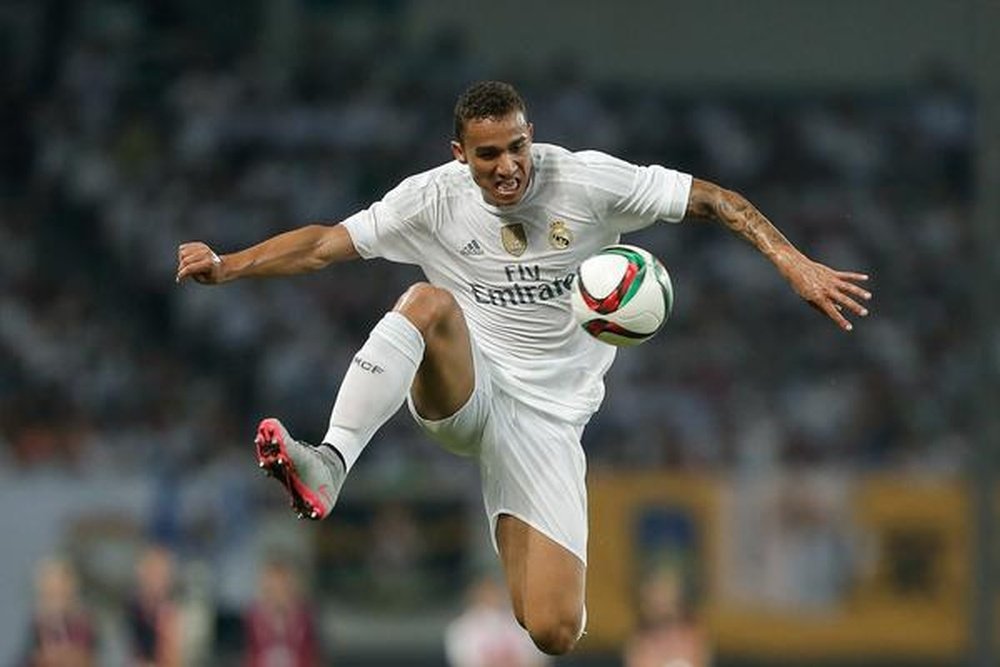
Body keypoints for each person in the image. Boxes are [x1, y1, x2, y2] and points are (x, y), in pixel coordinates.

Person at [176, 80, 871, 655]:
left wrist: (794, 262)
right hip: (468, 384)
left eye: (516, 147)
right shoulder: (432, 198)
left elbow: (716, 199)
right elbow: (328, 243)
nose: (506, 166)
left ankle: (514, 542)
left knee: (553, 629)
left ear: (530, 134)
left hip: (549, 424)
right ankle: (329, 459)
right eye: (487, 155)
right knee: (426, 300)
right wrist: (228, 265)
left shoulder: (589, 182)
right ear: (460, 154)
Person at [445, 575, 550, 667]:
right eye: (484, 592)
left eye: (493, 591)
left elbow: (538, 660)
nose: (490, 596)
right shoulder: (460, 628)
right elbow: (463, 662)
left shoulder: (523, 623)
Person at [243, 555, 321, 667]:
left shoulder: (305, 617)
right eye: (273, 588)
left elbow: (312, 655)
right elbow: (250, 655)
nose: (278, 592)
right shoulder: (253, 618)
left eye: (283, 586)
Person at [22, 556, 97, 667]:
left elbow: (93, 656)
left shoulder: (85, 624)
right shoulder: (37, 626)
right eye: (52, 592)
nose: (58, 597)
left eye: (61, 590)